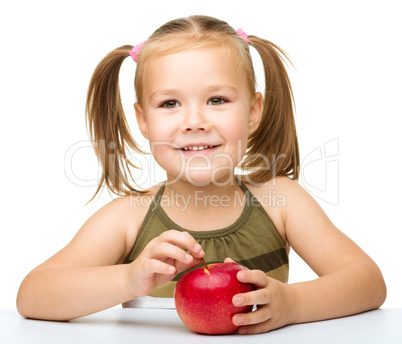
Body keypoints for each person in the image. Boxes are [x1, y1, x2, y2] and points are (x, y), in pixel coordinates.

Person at [17, 15, 386, 334]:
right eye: (170, 103)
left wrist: (292, 304)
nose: (194, 122)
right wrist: (129, 280)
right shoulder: (128, 218)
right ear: (144, 121)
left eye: (217, 100)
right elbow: (33, 295)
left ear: (253, 111)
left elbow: (368, 282)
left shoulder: (281, 202)